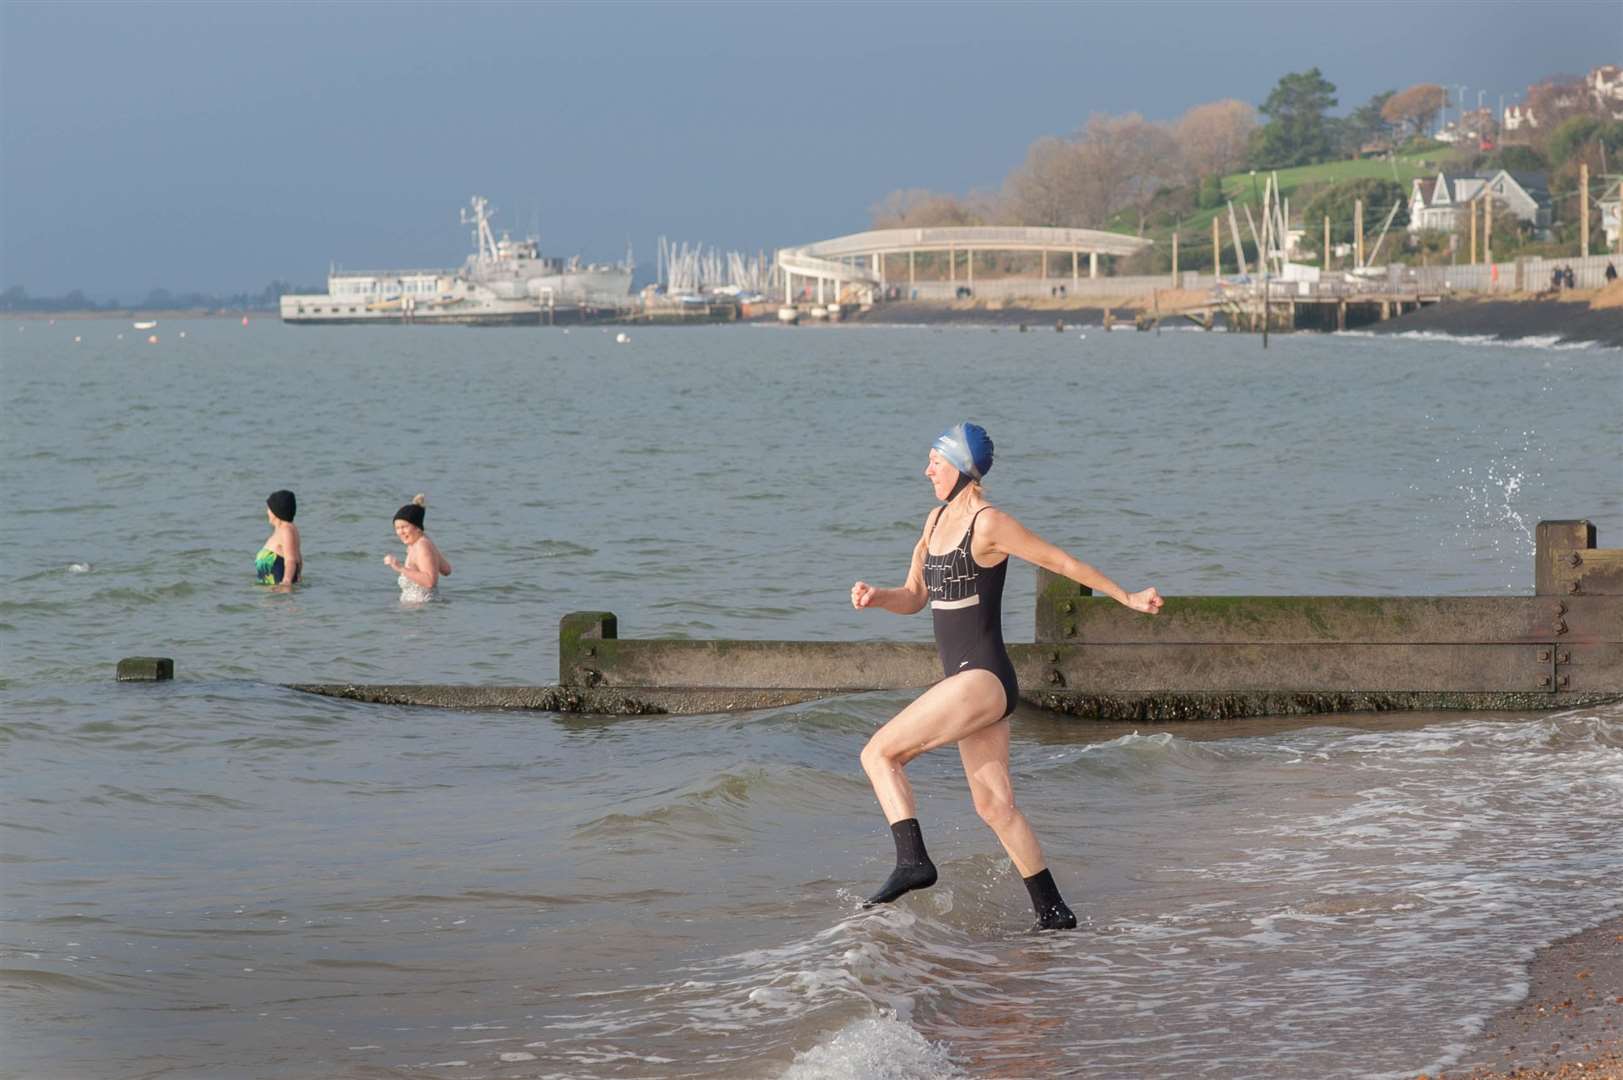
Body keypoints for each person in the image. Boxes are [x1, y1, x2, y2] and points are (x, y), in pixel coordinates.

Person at [849, 423, 1163, 930]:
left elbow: (1061, 560)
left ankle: (912, 861)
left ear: (960, 466)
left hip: (983, 678)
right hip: (975, 685)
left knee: (879, 753)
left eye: (934, 459)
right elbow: (914, 595)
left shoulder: (989, 524)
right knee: (995, 807)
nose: (926, 469)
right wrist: (876, 597)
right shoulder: (932, 523)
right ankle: (1053, 911)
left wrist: (1126, 597)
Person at [384, 494, 451, 603]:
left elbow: (430, 581)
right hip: (420, 611)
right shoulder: (419, 543)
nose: (400, 532)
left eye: (404, 527)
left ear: (417, 527)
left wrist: (399, 567)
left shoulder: (422, 546)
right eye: (397, 528)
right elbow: (447, 569)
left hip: (423, 612)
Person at [256, 489, 302, 589]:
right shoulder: (282, 530)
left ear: (276, 511)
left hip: (280, 596)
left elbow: (291, 560)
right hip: (273, 595)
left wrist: (286, 581)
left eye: (269, 509)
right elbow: (299, 558)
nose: (267, 512)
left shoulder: (286, 530)